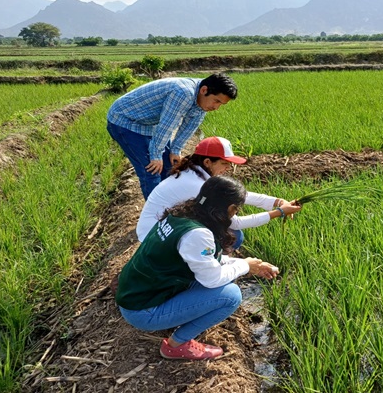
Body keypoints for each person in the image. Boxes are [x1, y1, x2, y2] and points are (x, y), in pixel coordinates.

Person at [116, 176, 293, 360]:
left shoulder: (181, 214)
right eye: (236, 209)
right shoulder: (198, 234)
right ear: (231, 208)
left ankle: (181, 317)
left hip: (139, 293)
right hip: (143, 311)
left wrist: (250, 264)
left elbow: (207, 261)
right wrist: (245, 265)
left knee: (227, 277)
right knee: (230, 296)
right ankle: (176, 345)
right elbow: (212, 278)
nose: (235, 214)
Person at [136, 136, 301, 248]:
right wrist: (278, 212)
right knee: (233, 235)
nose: (228, 168)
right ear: (208, 161)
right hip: (155, 238)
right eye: (224, 163)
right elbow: (235, 223)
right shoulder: (196, 185)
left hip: (156, 230)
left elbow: (243, 195)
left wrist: (277, 201)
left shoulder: (194, 172)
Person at [106, 73, 238, 199]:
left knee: (169, 167)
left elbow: (189, 126)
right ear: (204, 90)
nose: (216, 107)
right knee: (151, 171)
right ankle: (156, 216)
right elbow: (166, 126)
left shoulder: (202, 101)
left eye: (221, 104)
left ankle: (170, 205)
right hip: (125, 120)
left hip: (148, 124)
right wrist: (156, 155)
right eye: (216, 101)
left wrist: (175, 150)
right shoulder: (184, 93)